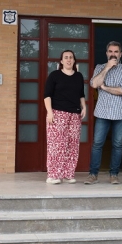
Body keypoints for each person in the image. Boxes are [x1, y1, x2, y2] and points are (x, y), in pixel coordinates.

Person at [85, 41, 122, 185]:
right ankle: (93, 174)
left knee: (117, 145)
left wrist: (105, 88)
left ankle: (114, 174)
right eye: (110, 51)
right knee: (97, 144)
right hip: (102, 113)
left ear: (120, 54)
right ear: (106, 53)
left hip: (120, 113)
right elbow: (94, 84)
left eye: (116, 51)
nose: (113, 54)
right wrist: (106, 68)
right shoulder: (99, 68)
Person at [43, 50, 86, 184]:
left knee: (72, 145)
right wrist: (49, 112)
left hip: (74, 114)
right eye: (66, 58)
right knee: (56, 145)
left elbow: (81, 94)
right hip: (57, 113)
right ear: (61, 61)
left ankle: (68, 173)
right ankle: (53, 175)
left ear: (74, 60)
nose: (68, 60)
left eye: (71, 57)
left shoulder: (79, 76)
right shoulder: (54, 75)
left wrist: (84, 107)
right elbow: (47, 95)